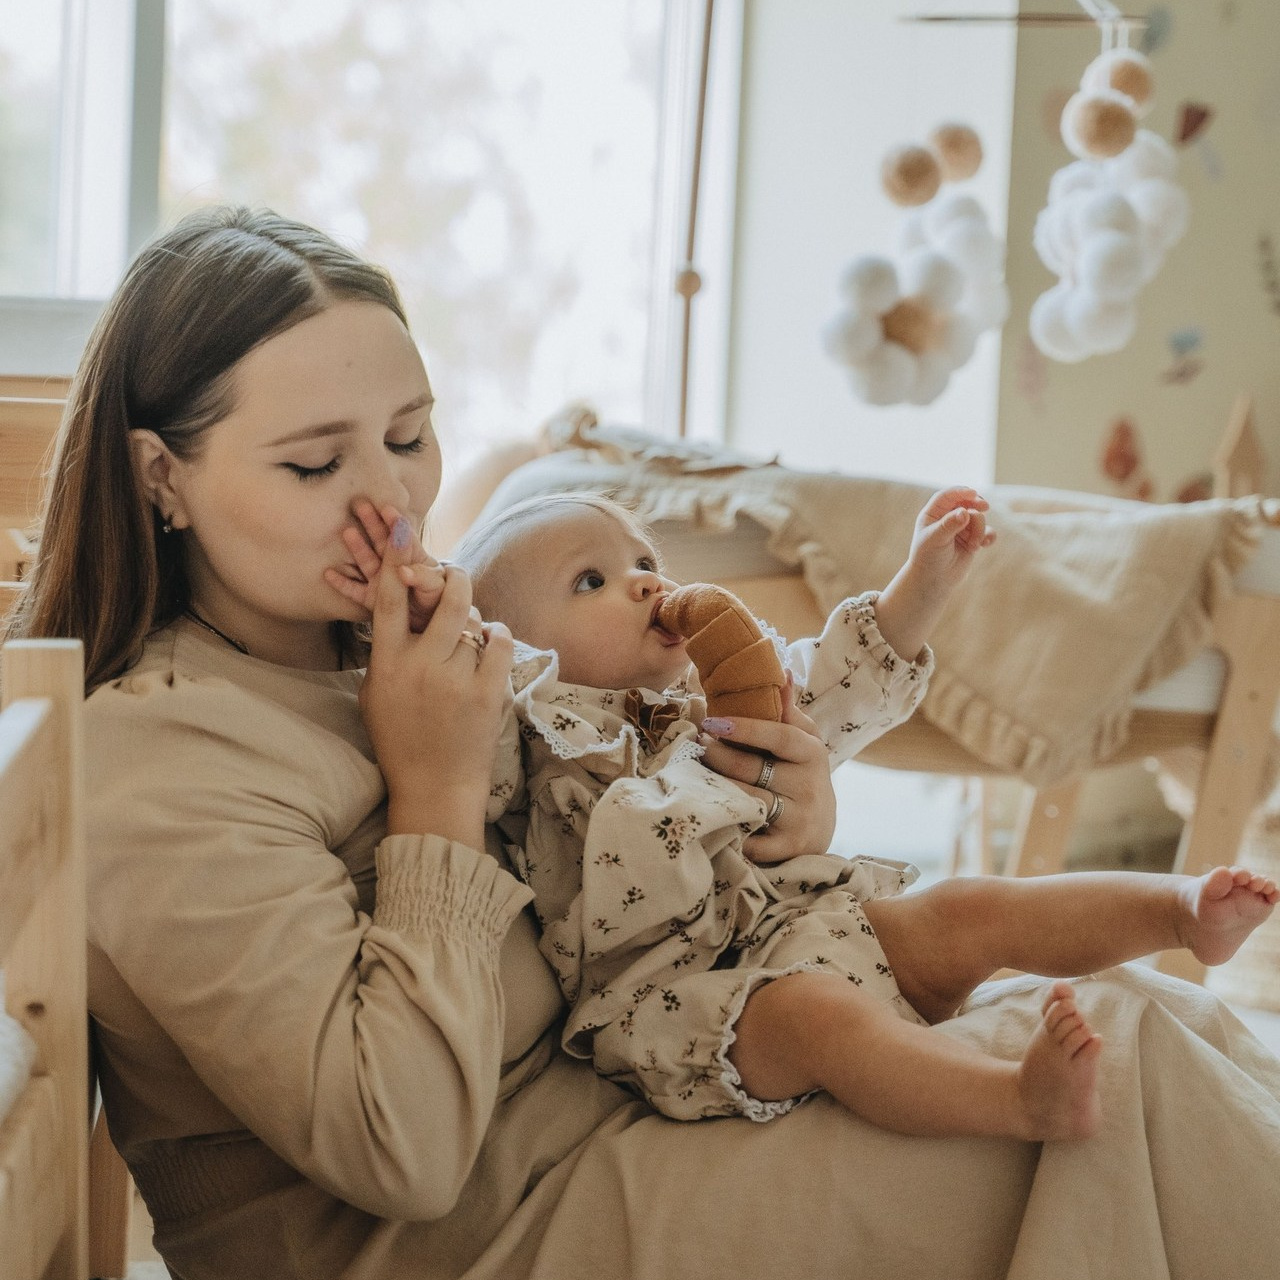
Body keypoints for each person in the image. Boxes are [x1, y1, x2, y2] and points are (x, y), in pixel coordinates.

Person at [8, 204, 1280, 1280]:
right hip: (486, 1229)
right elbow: (401, 1152)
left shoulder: (400, 642)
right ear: (160, 476)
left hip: (649, 1090)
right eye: (309, 464)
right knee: (1132, 1095)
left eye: (408, 438)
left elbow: (623, 871)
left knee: (1148, 1016)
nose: (390, 503)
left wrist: (772, 818)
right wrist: (436, 794)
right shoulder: (158, 762)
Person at [328, 490, 1276, 1140]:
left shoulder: (712, 698)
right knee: (825, 1018)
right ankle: (1013, 1102)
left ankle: (1180, 911)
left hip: (803, 920)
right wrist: (412, 601)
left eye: (645, 561)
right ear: (517, 647)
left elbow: (832, 684)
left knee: (970, 906)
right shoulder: (532, 732)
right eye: (593, 582)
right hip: (684, 994)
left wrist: (922, 587)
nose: (646, 584)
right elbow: (448, 692)